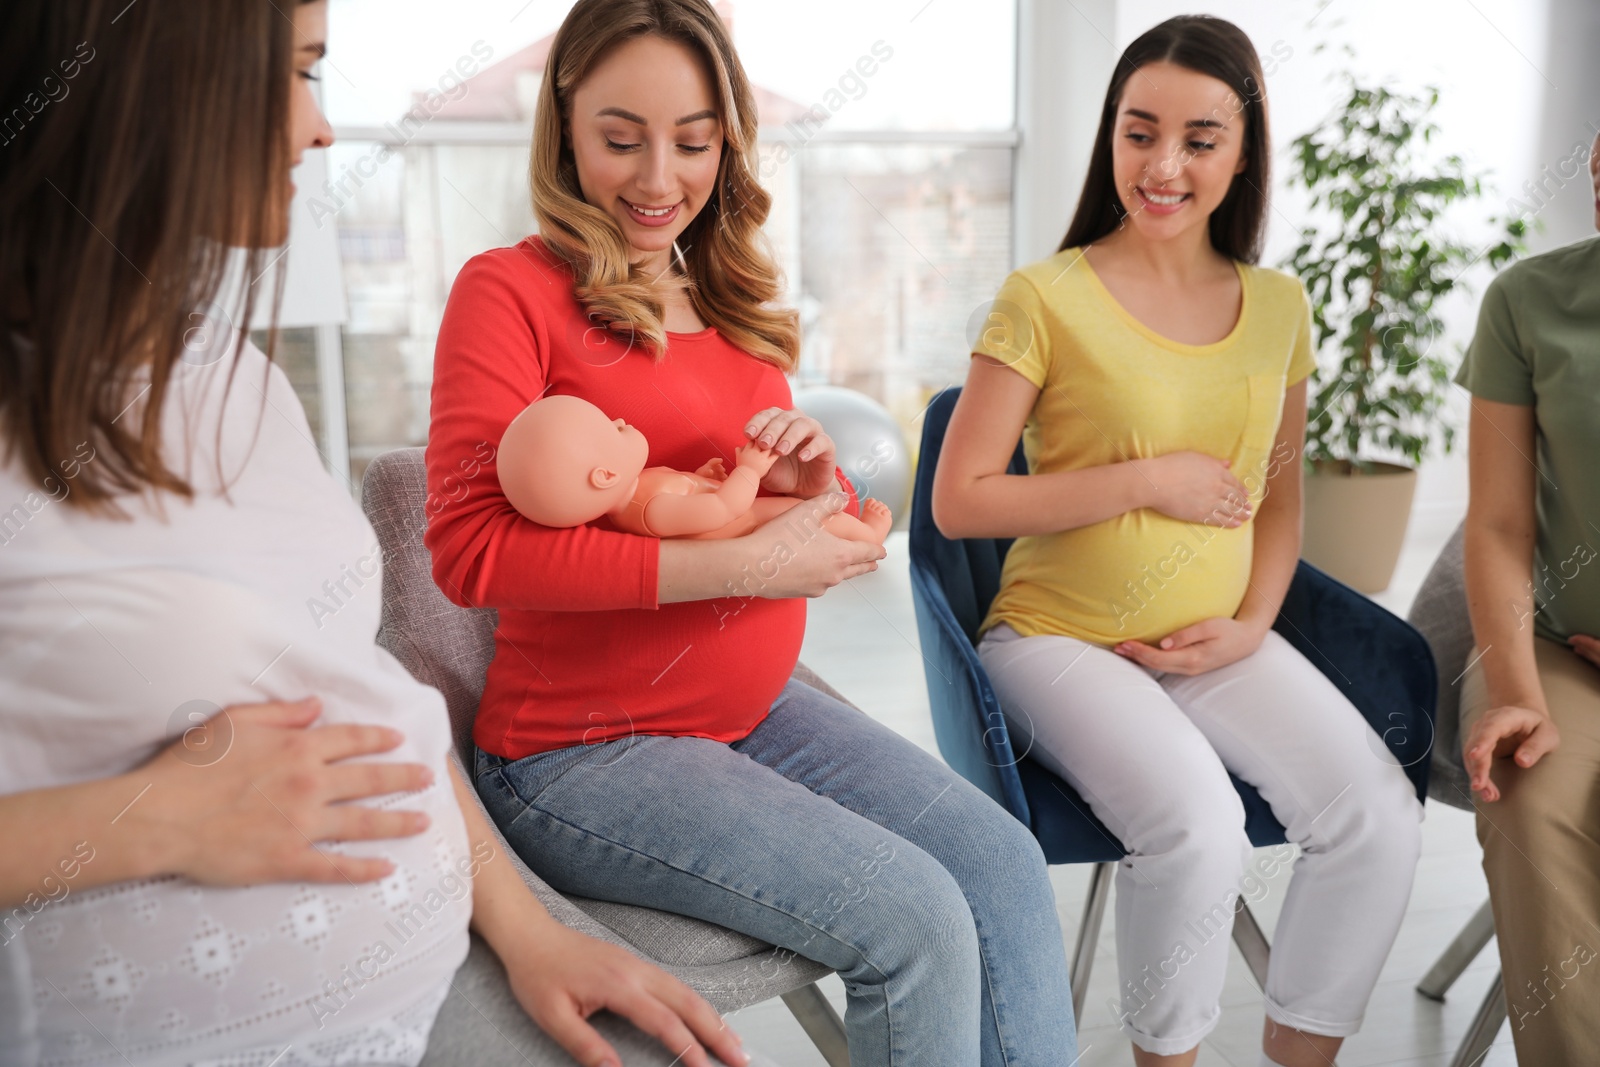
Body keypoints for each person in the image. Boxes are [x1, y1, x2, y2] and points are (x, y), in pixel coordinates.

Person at [0, 4, 751, 1066]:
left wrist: (534, 934)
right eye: (300, 73)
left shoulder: (236, 382)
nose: (321, 131)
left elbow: (364, 689)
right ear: (146, 79)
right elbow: (485, 551)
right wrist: (154, 818)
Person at [424, 1, 1077, 1063]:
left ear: (726, 141)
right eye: (619, 137)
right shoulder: (510, 292)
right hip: (580, 750)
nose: (655, 179)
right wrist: (733, 559)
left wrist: (819, 490)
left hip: (748, 712)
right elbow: (468, 551)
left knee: (1001, 861)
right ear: (563, 123)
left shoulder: (729, 304)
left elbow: (811, 527)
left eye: (690, 141)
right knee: (912, 919)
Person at [932, 16, 1422, 1067]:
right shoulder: (1044, 296)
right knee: (1196, 823)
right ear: (1109, 135)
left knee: (1375, 811)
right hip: (1056, 639)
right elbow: (957, 502)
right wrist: (1146, 479)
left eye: (1199, 139)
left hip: (1209, 642)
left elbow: (1279, 503)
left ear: (1241, 154)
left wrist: (1248, 626)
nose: (1162, 165)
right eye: (1138, 130)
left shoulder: (1279, 307)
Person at [1457, 126, 1600, 1065]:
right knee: (1532, 791)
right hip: (1553, 645)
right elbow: (1501, 525)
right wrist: (1515, 687)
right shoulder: (1529, 299)